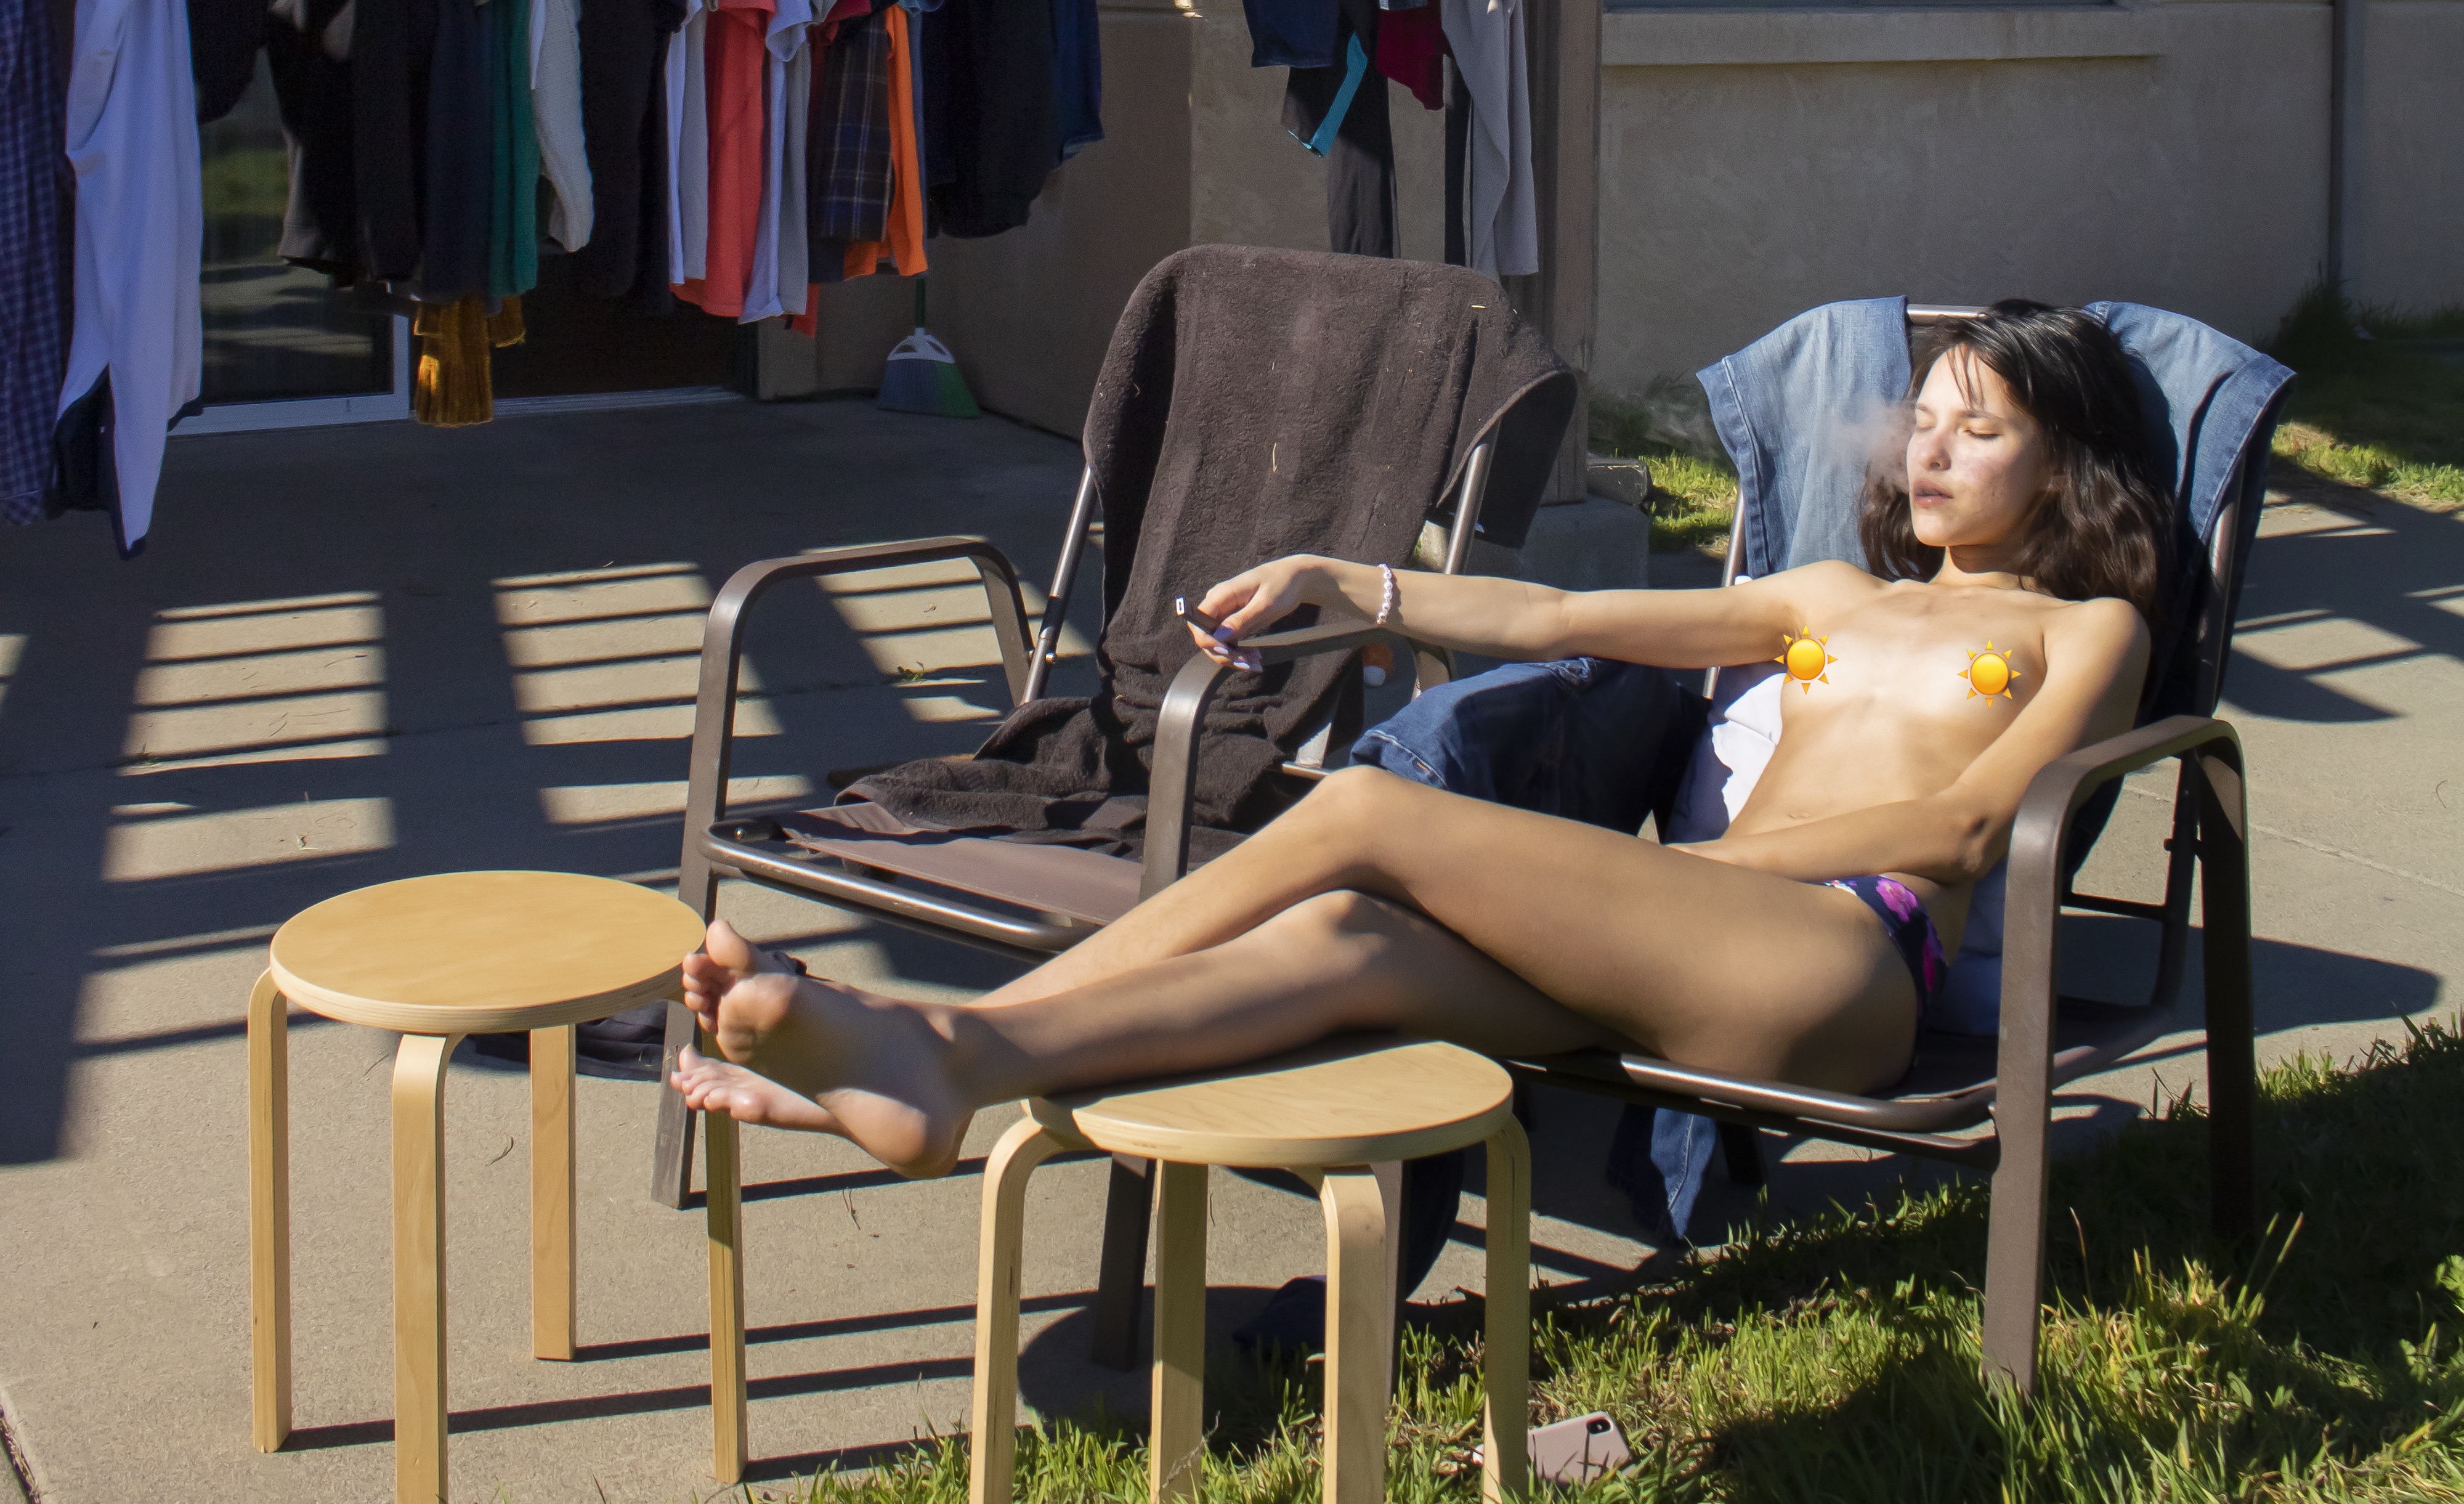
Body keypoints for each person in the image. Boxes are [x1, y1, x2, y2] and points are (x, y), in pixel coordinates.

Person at [670, 303, 2173, 1176]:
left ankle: (940, 1050)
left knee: (1366, 817)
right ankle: (952, 1068)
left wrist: (1744, 863)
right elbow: (1555, 614)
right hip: (1681, 935)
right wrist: (1353, 581)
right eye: (1919, 418)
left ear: (2067, 464)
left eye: (1977, 431)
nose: (1926, 450)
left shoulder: (2078, 634)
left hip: (1839, 963)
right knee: (1342, 934)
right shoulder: (1824, 599)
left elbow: (1973, 829)